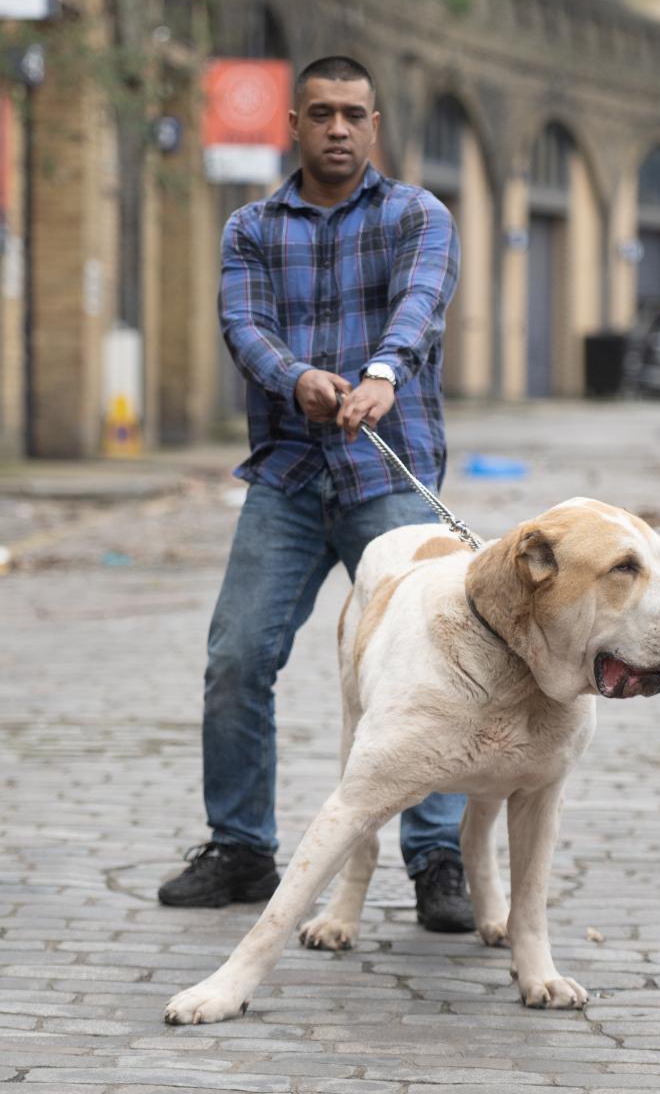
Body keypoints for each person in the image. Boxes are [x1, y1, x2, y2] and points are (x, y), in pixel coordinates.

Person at [159, 55, 473, 933]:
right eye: (322, 113)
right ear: (293, 124)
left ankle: (436, 860)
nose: (338, 128)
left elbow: (421, 303)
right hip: (290, 479)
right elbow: (242, 324)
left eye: (354, 114)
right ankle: (241, 849)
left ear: (375, 126)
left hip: (390, 473)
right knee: (236, 658)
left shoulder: (419, 215)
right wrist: (294, 376)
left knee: (429, 667)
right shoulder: (253, 226)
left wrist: (381, 374)